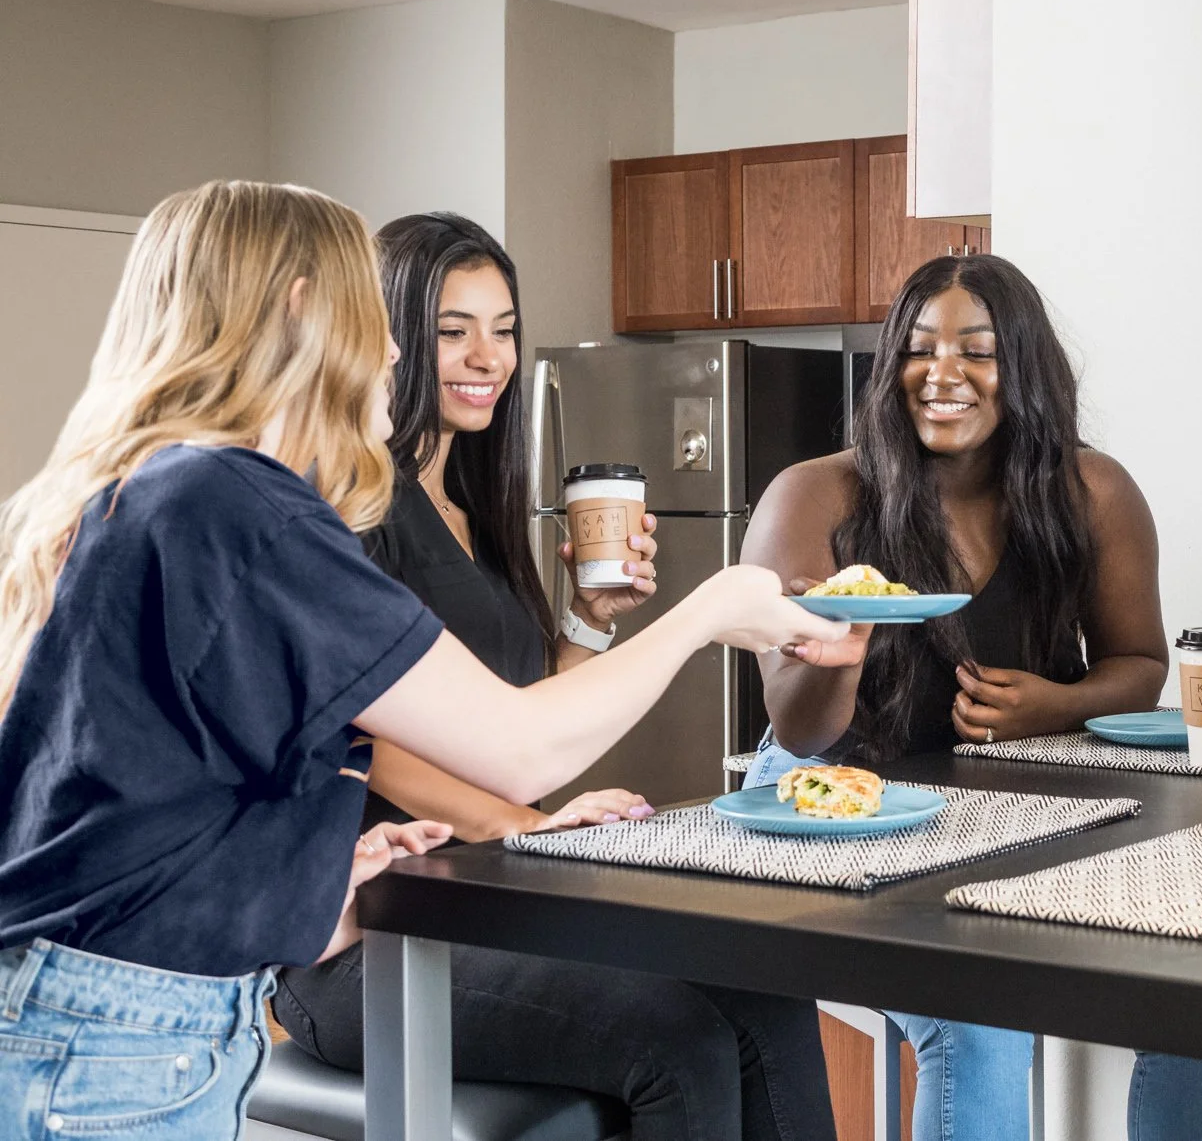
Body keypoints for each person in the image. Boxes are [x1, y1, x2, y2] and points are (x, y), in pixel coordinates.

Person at [0, 181, 843, 1139]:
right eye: (379, 318)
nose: (393, 351)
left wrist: (325, 859)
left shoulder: (155, 493)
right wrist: (711, 610)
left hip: (96, 1015)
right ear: (298, 311)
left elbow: (141, 780)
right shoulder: (241, 507)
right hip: (114, 1039)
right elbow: (517, 747)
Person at [272, 213, 837, 1141]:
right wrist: (529, 825)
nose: (485, 356)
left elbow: (521, 721)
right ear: (389, 338)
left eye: (503, 329)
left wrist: (588, 618)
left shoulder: (471, 511)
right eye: (452, 330)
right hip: (368, 932)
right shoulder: (356, 503)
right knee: (678, 1040)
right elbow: (369, 749)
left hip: (486, 896)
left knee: (767, 995)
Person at [741, 253, 1202, 1141]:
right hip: (836, 812)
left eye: (978, 351)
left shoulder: (1093, 492)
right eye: (920, 348)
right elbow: (799, 730)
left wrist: (1054, 703)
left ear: (1025, 369)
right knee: (978, 1023)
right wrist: (843, 647)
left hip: (1007, 815)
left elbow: (1137, 662)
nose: (944, 374)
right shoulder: (812, 496)